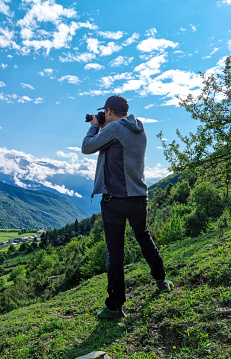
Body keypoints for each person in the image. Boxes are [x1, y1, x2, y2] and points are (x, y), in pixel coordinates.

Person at [81, 95, 173, 319]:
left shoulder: (112, 130)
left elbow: (87, 147)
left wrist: (95, 126)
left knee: (115, 252)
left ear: (110, 111)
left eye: (105, 113)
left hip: (115, 200)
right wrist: (105, 126)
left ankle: (115, 306)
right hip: (139, 197)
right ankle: (161, 280)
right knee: (143, 236)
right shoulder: (139, 129)